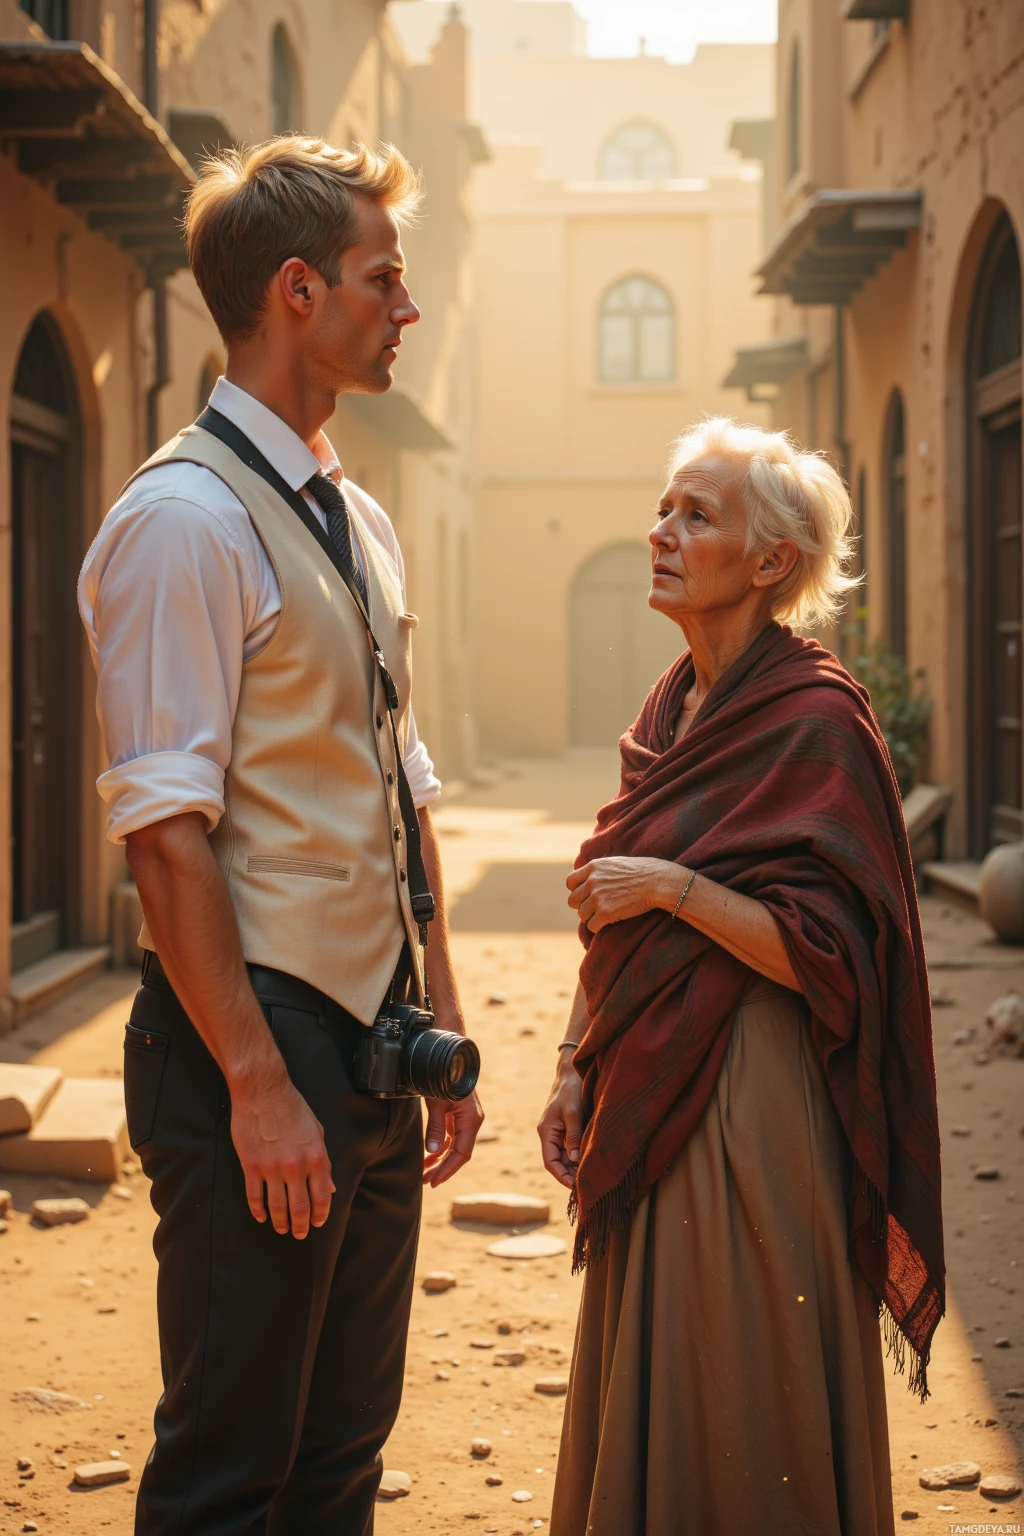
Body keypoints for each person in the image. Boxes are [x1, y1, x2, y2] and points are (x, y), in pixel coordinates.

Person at [79, 136, 483, 1535]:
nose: (406, 309)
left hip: (376, 1049)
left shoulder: (357, 515)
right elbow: (165, 837)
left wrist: (441, 1013)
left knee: (337, 1469)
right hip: (247, 1044)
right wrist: (256, 1081)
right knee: (226, 1478)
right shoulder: (180, 523)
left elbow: (399, 776)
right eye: (388, 279)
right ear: (298, 290)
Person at [537, 418, 943, 1536]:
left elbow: (838, 962)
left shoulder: (818, 719)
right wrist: (577, 1069)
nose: (661, 533)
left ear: (770, 563)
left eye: (695, 516)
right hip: (647, 1075)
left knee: (741, 1355)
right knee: (655, 1348)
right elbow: (609, 908)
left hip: (754, 1091)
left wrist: (673, 889)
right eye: (664, 508)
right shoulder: (668, 711)